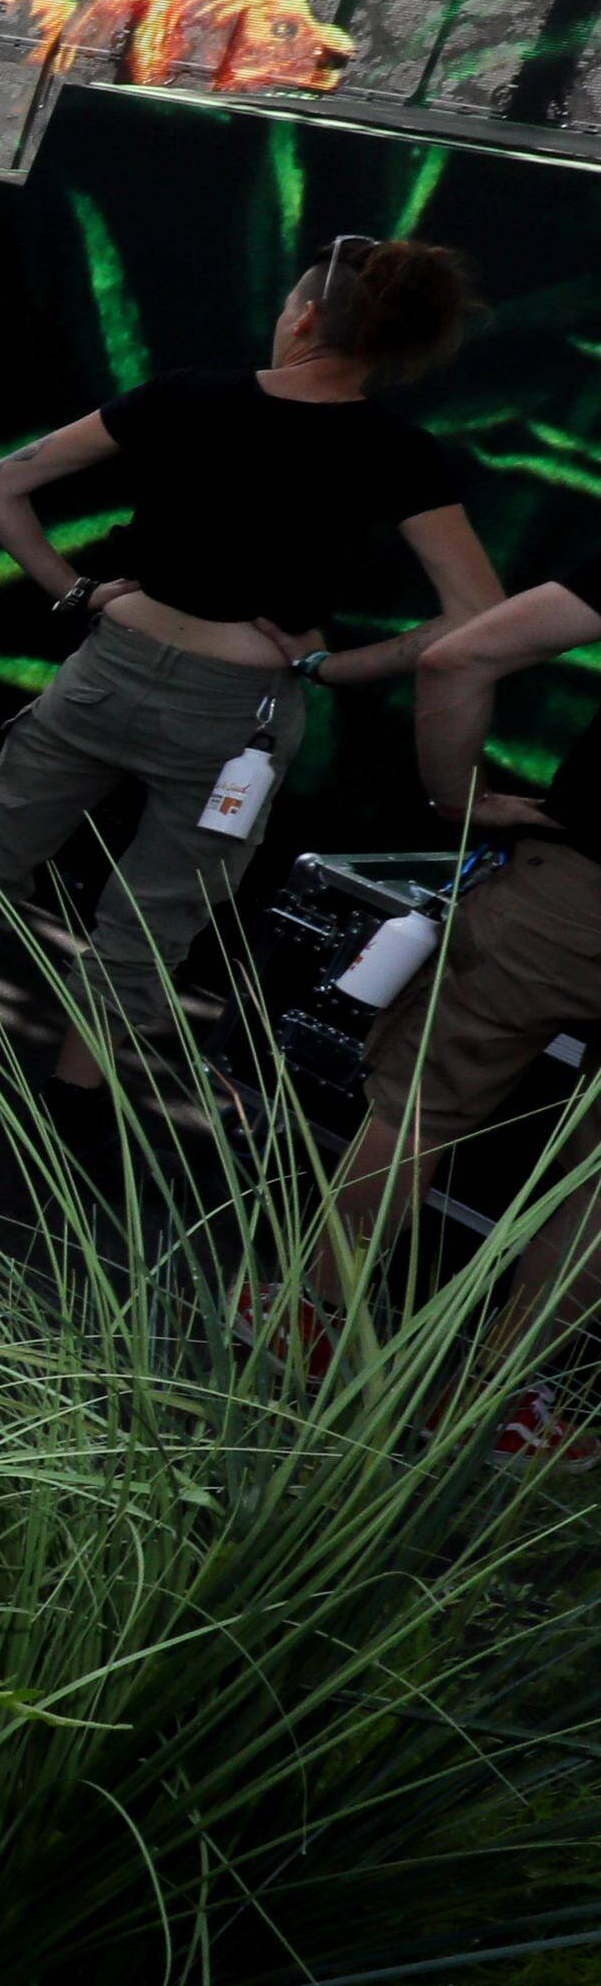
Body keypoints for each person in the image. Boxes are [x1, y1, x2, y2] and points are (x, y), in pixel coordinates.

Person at [0, 236, 497, 1092]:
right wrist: (335, 666)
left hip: (111, 664)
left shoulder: (190, 395)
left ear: (302, 318)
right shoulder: (399, 451)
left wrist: (74, 592)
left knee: (2, 845)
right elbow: (477, 616)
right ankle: (70, 1102)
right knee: (155, 916)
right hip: (238, 712)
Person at [308, 559, 601, 1456]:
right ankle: (499, 1411)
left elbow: (457, 658)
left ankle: (310, 1328)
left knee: (417, 1111)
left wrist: (457, 799)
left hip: (573, 890)